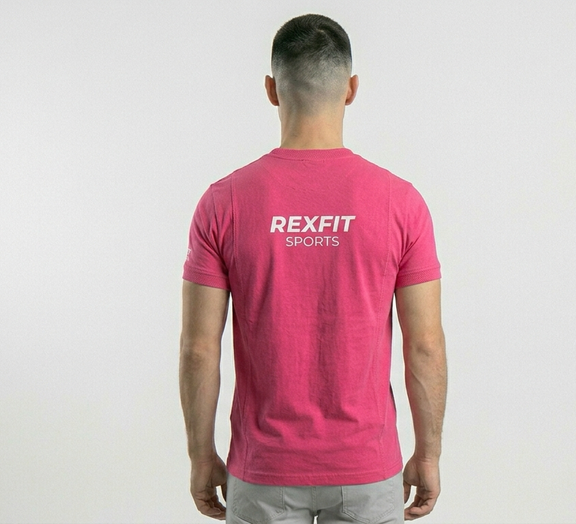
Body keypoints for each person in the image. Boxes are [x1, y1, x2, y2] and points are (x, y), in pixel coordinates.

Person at [179, 13, 447, 523]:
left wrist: (200, 456)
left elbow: (198, 348)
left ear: (271, 90)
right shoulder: (401, 203)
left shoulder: (223, 203)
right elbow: (425, 345)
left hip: (263, 469)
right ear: (351, 89)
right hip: (367, 468)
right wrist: (428, 454)